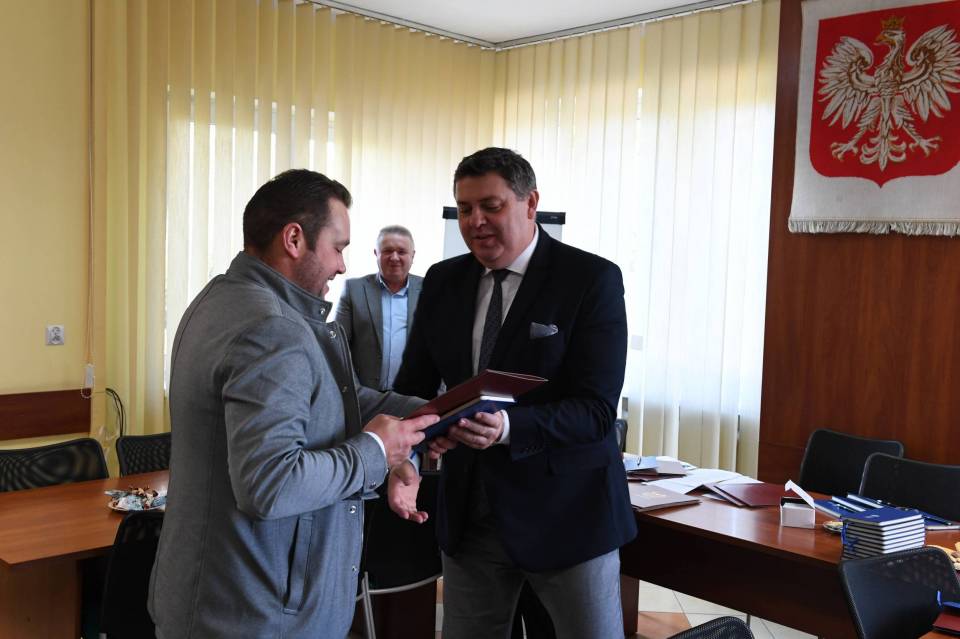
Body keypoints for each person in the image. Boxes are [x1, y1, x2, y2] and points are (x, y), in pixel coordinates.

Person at [148, 169, 437, 639]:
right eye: (338, 248)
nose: (342, 266)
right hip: (258, 614)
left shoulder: (218, 301)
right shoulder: (272, 328)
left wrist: (427, 415)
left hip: (222, 598)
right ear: (295, 239)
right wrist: (376, 453)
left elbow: (328, 398)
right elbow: (271, 484)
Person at [389, 147, 637, 639]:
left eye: (491, 206)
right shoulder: (443, 280)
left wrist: (507, 427)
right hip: (471, 516)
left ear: (531, 204)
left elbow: (595, 411)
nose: (475, 221)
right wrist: (407, 457)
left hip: (569, 517)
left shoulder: (590, 279)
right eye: (465, 209)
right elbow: (411, 391)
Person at [336, 225, 422, 390]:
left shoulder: (430, 289)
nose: (394, 257)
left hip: (415, 397)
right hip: (365, 396)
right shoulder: (354, 289)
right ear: (376, 253)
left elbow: (441, 348)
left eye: (401, 252)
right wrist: (354, 389)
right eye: (387, 251)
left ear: (412, 255)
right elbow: (338, 346)